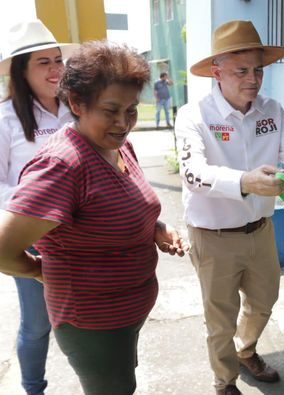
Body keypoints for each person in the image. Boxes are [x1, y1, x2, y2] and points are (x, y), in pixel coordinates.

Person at [176, 20, 284, 395]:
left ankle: (245, 350)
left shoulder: (272, 110)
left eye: (258, 70)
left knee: (263, 302)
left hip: (261, 230)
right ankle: (224, 381)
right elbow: (193, 173)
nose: (253, 79)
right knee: (219, 319)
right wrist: (244, 182)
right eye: (241, 70)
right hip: (213, 236)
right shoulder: (194, 115)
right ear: (216, 71)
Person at [0, 40, 188, 395]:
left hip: (127, 312)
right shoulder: (63, 165)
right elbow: (2, 249)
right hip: (93, 321)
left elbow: (117, 209)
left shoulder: (117, 145)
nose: (123, 123)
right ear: (76, 103)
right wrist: (38, 271)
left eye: (131, 110)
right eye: (111, 110)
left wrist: (156, 229)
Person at [0, 19, 79, 395]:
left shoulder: (77, 110)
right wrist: (34, 210)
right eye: (43, 62)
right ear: (21, 71)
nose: (55, 70)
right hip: (33, 241)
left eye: (58, 60)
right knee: (38, 324)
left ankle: (99, 382)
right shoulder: (5, 119)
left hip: (84, 236)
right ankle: (33, 389)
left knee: (87, 318)